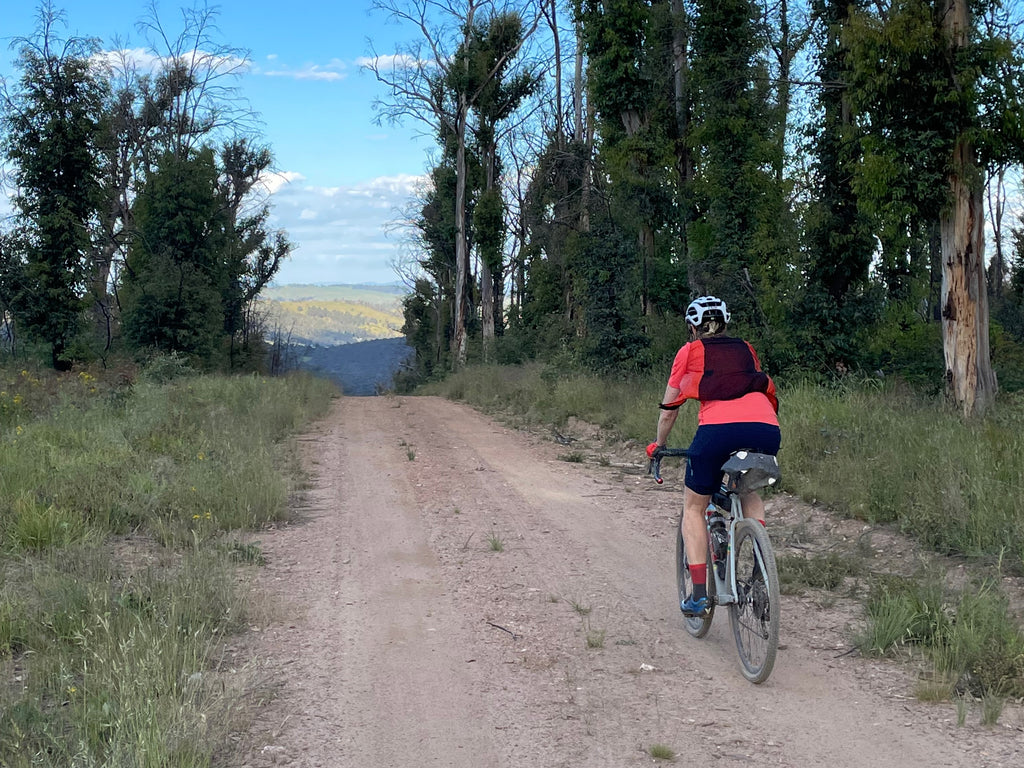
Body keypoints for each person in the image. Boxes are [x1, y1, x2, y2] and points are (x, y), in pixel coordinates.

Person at [646, 296, 780, 617]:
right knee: (748, 490)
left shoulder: (689, 351)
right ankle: (762, 572)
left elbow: (669, 410)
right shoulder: (746, 348)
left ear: (694, 326)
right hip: (765, 428)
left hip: (718, 431)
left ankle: (699, 596)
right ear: (725, 322)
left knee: (693, 506)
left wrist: (658, 444)